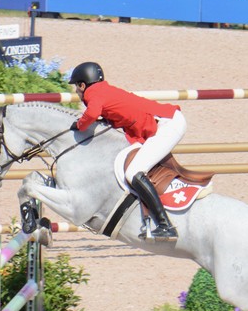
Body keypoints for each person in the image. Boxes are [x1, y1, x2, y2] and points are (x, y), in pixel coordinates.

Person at [68, 62, 187, 241]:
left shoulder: (94, 93)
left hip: (168, 125)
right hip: (165, 122)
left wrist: (79, 124)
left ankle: (165, 225)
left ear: (83, 85)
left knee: (133, 172)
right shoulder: (104, 90)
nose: (77, 92)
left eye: (77, 87)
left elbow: (91, 115)